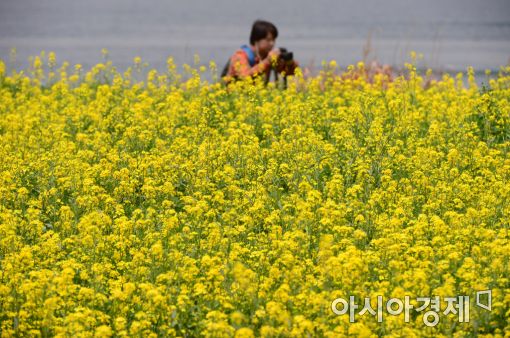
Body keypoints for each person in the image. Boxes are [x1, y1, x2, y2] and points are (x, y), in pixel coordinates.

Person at [222, 20, 299, 85]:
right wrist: (267, 61)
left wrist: (289, 62)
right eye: (268, 40)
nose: (272, 43)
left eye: (273, 40)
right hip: (234, 98)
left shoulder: (267, 56)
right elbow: (245, 77)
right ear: (256, 40)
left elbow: (290, 72)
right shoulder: (240, 56)